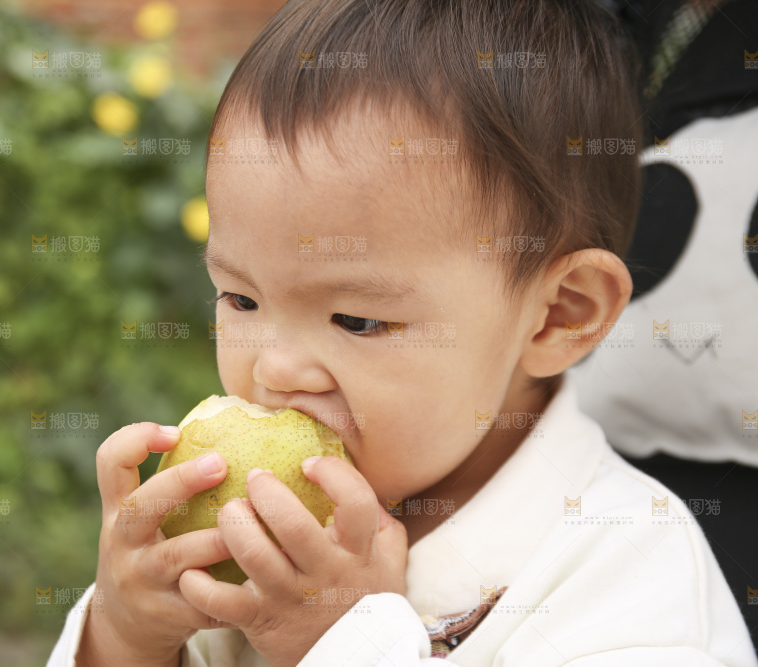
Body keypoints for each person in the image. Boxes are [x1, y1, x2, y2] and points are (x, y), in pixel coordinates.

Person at [49, 0, 757, 664]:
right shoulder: (256, 529)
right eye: (240, 298)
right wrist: (126, 633)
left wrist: (340, 640)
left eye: (356, 318)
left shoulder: (631, 573)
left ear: (561, 313)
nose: (275, 368)